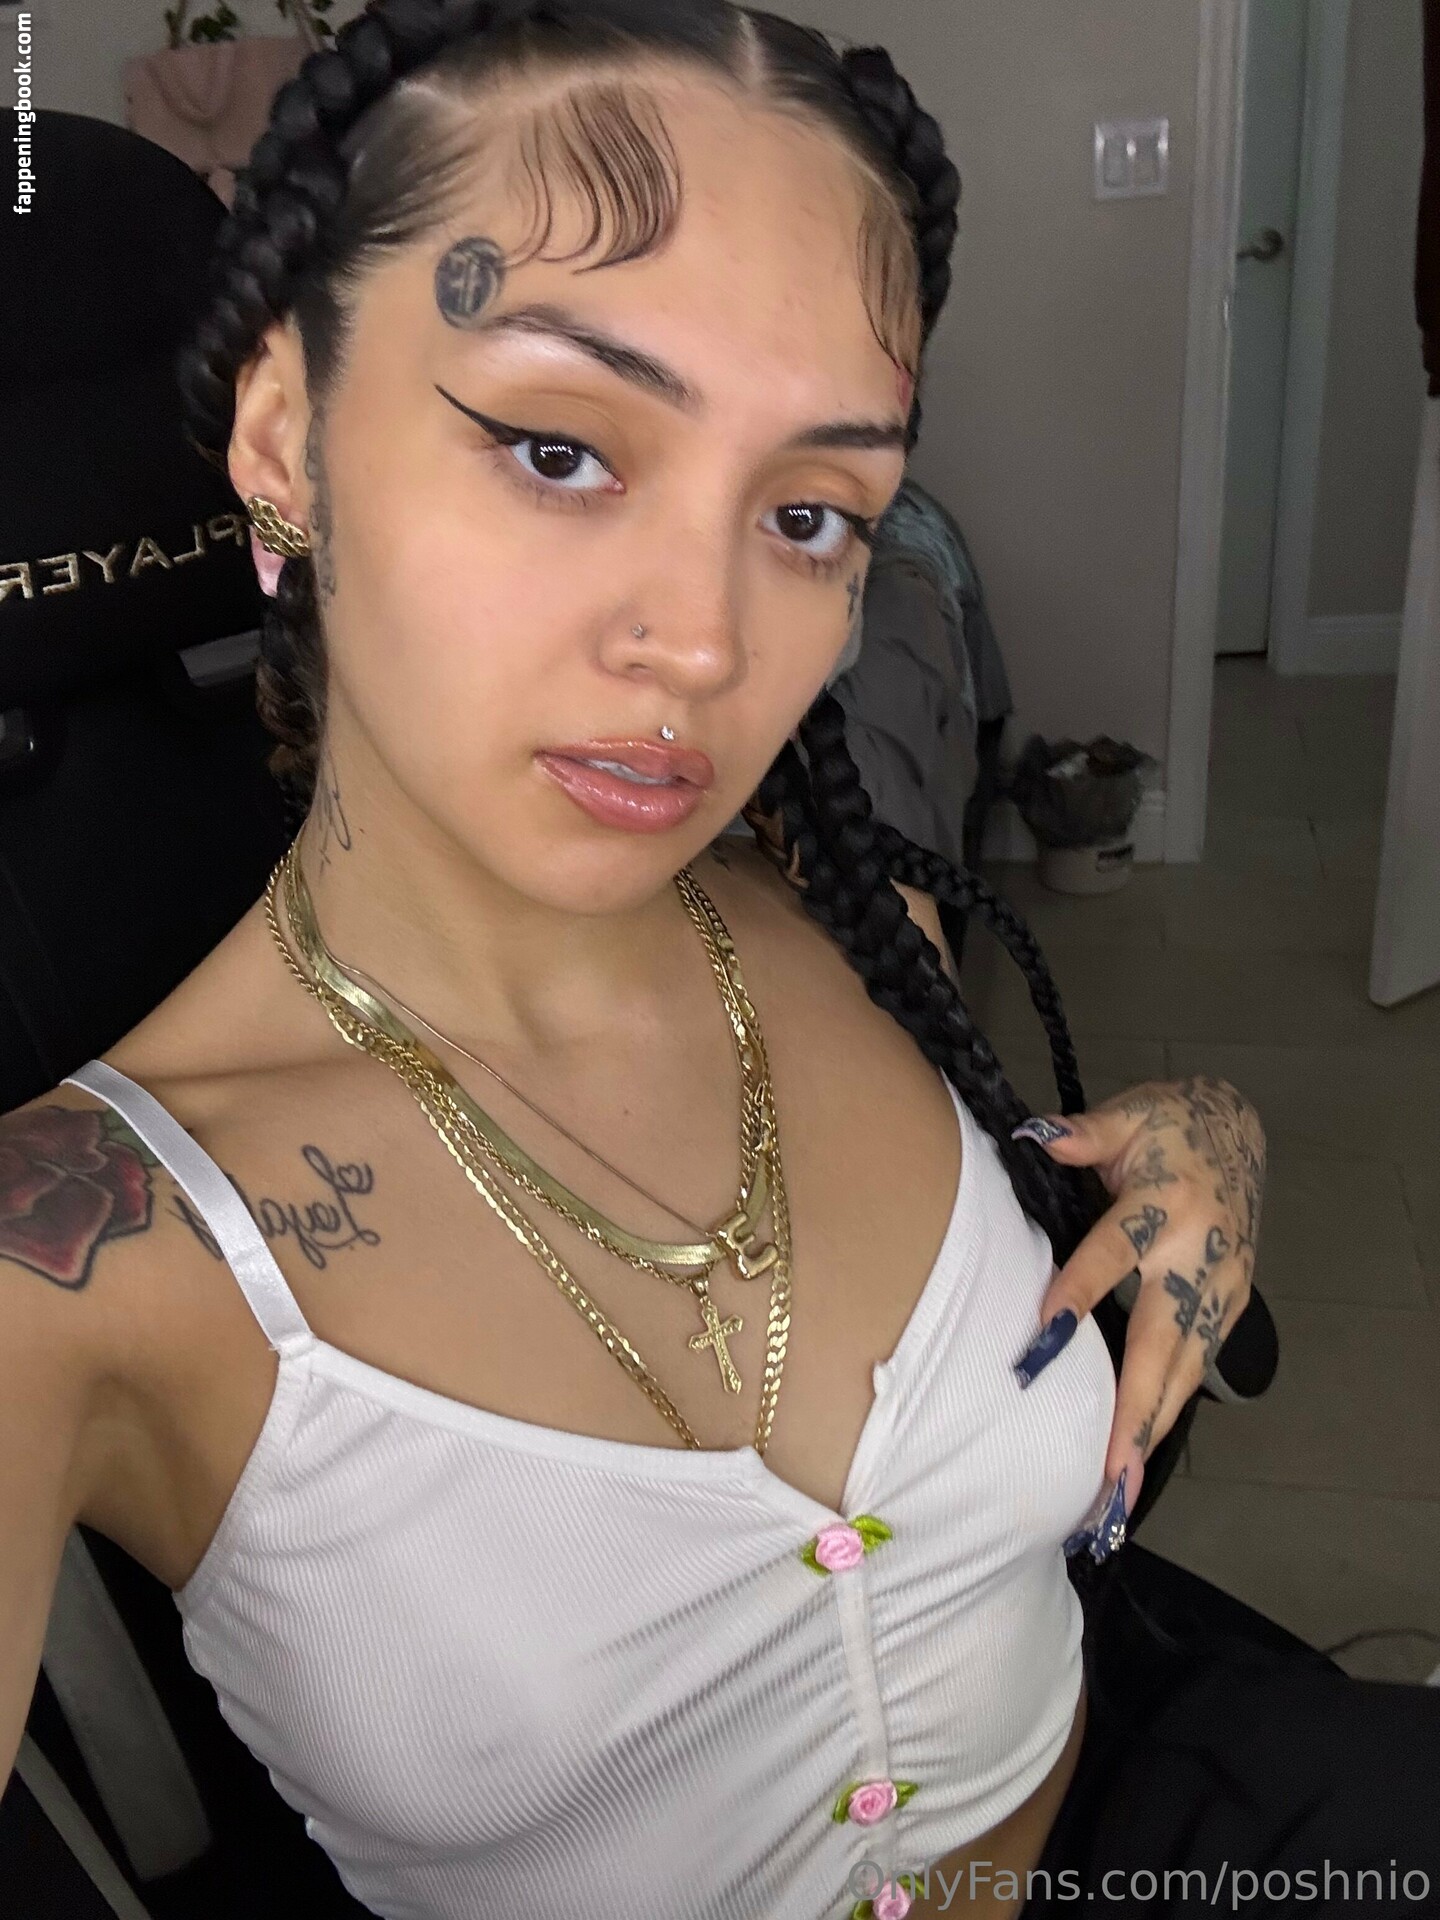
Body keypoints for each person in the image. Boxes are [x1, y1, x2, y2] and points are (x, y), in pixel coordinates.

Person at [2, 3, 1435, 1916]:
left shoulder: (857, 924)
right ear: (285, 432)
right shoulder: (71, 1263)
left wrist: (1204, 1140)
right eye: (560, 449)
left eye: (810, 513)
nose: (705, 639)